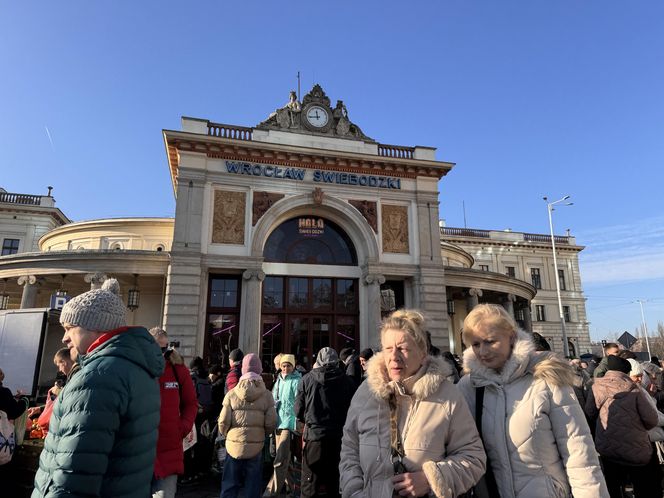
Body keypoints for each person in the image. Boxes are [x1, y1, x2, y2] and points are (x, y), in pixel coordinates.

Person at [458, 304, 608, 498]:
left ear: (511, 337)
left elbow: (579, 453)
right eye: (476, 344)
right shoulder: (468, 387)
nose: (483, 351)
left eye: (490, 341)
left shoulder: (546, 378)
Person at [32, 278, 164, 498]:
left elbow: (74, 471)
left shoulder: (96, 377)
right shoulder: (137, 369)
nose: (64, 338)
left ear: (95, 326)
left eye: (70, 328)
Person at [340, 309, 486, 498]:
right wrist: (354, 490)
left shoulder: (448, 396)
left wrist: (431, 479)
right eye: (388, 348)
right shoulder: (366, 392)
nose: (394, 356)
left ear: (423, 353)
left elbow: (473, 458)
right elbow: (349, 447)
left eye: (403, 348)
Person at [586, 356, 660, 497]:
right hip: (636, 448)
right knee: (644, 486)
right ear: (627, 371)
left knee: (612, 486)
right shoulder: (634, 389)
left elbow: (589, 413)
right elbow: (652, 420)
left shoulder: (596, 387)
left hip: (607, 448)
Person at [295, 347, 356, 498]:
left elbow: (298, 410)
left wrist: (309, 419)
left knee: (310, 484)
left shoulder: (307, 379)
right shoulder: (346, 381)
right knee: (333, 482)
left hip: (315, 436)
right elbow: (353, 408)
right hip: (337, 437)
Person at [149, 327, 198, 498]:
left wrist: (182, 427)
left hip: (168, 448)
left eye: (165, 348)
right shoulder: (137, 368)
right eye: (157, 348)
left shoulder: (178, 370)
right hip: (139, 448)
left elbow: (191, 403)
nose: (161, 352)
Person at [219, 353, 277, 498]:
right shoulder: (267, 395)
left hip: (234, 445)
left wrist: (227, 434)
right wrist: (263, 434)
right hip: (256, 445)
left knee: (230, 484)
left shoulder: (232, 394)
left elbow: (223, 421)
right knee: (253, 484)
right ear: (259, 370)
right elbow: (271, 422)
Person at [264, 353, 302, 497]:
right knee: (285, 460)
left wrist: (296, 422)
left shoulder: (297, 381)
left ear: (293, 366)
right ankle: (293, 489)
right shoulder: (279, 380)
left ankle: (270, 493)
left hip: (289, 423)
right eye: (283, 366)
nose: (285, 368)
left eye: (288, 366)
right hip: (278, 423)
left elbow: (298, 404)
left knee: (280, 459)